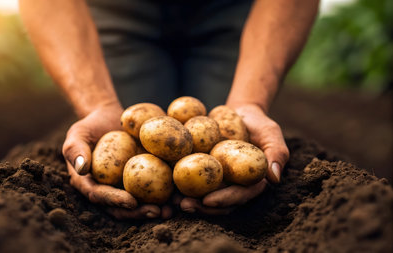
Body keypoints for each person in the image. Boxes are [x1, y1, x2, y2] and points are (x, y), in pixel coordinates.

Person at [19, 0, 319, 219]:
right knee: (121, 123)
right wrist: (99, 104)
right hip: (116, 9)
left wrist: (249, 102)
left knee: (222, 113)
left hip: (232, 9)